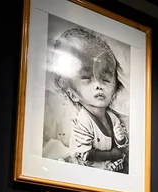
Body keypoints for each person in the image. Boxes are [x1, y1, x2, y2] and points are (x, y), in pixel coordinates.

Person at [52, 27, 129, 173]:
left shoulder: (113, 118)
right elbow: (86, 154)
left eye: (106, 79)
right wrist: (112, 154)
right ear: (73, 94)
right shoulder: (83, 121)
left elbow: (122, 143)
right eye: (87, 78)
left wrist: (121, 139)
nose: (99, 85)